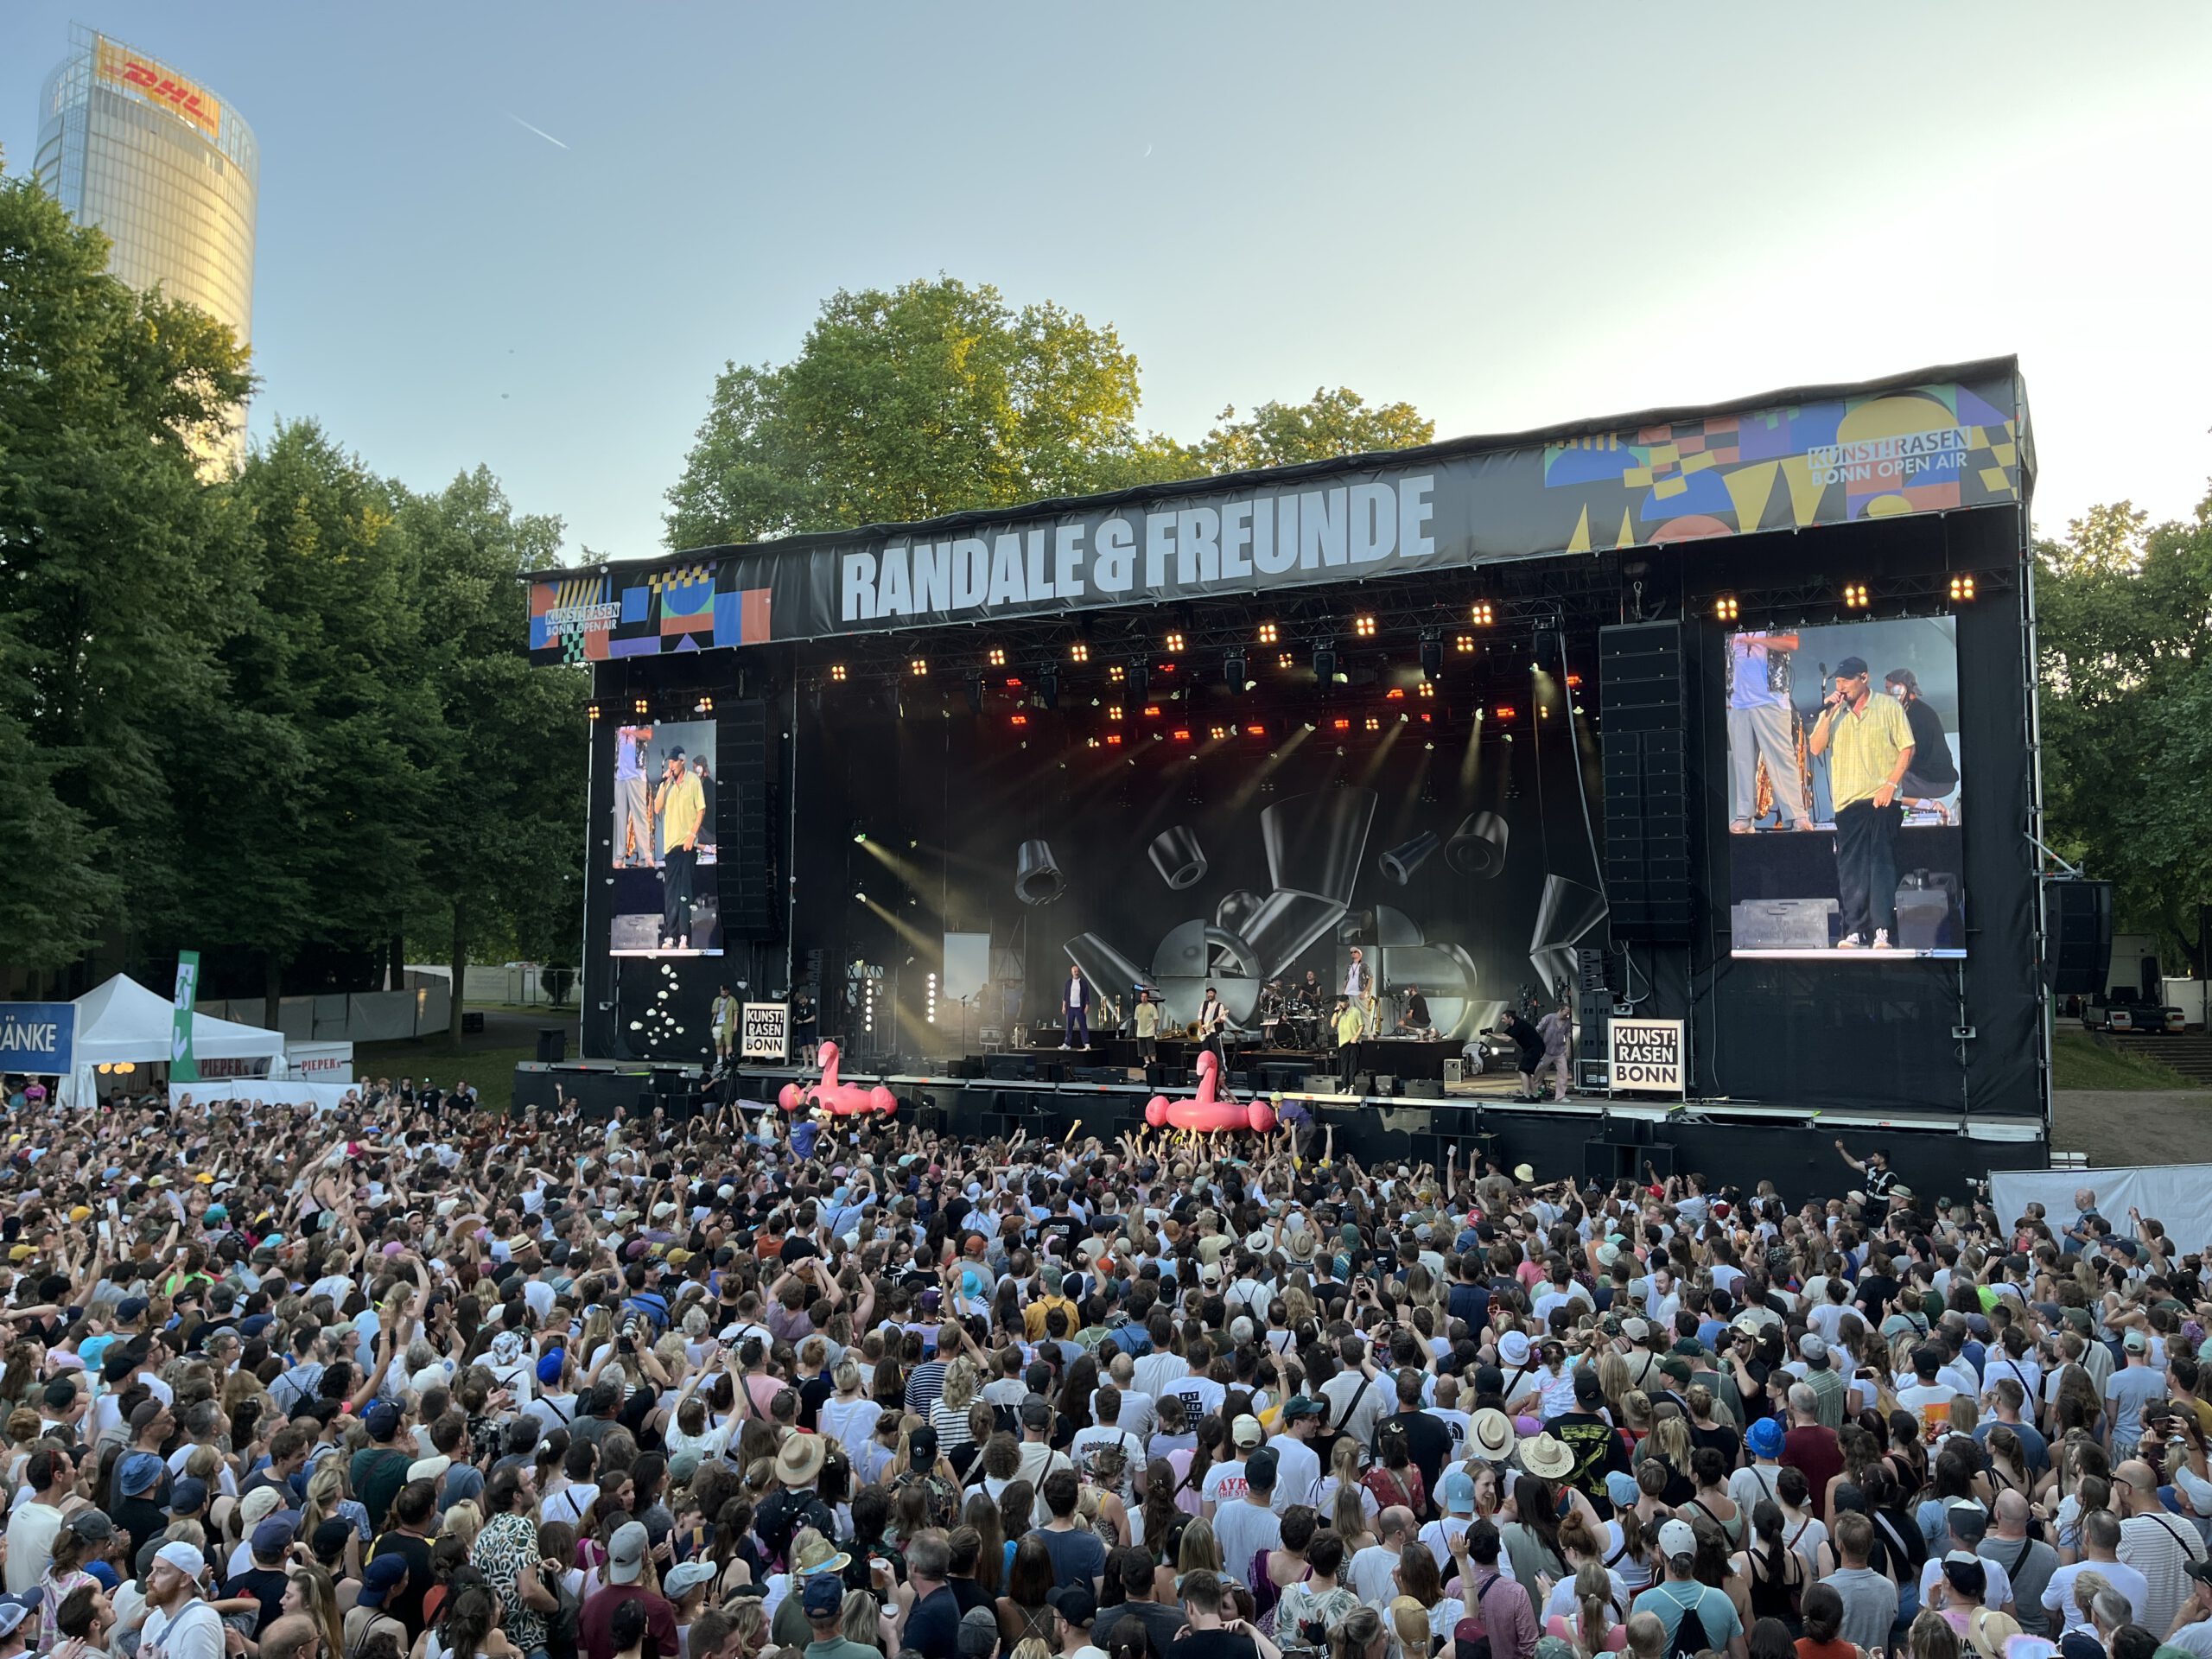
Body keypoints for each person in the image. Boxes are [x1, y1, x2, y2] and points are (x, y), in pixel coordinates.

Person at [1805, 654, 1915, 950]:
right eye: (1838, 682)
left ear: (1864, 678)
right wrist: (1829, 713)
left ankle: (1881, 930)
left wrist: (1890, 785)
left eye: (1846, 681)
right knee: (1850, 869)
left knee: (1880, 864)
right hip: (1847, 803)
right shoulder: (1835, 714)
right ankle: (1854, 930)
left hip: (1881, 799)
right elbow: (1815, 748)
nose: (1841, 687)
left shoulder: (1888, 707)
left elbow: (1907, 748)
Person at [1728, 631, 1813, 833]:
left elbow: (1792, 642)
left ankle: (1798, 816)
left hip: (1770, 699)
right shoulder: (1732, 627)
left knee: (1781, 758)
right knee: (1742, 761)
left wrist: (1755, 640)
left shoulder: (1772, 622)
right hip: (1739, 701)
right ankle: (1744, 816)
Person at [1630, 1520, 1745, 1659]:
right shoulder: (1722, 1601)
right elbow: (1741, 1656)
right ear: (1695, 1554)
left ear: (1660, 1553)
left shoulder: (1645, 1603)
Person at [1882, 671, 1959, 819]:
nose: (1885, 694)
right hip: (1936, 778)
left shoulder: (1915, 716)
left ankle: (1928, 805)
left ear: (1900, 688)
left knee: (1875, 785)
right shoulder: (1916, 710)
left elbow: (1908, 754)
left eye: (1888, 689)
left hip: (1932, 780)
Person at [654, 745, 707, 950]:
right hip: (671, 846)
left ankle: (684, 934)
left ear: (682, 761)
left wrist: (692, 836)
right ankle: (670, 935)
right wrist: (663, 783)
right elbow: (657, 808)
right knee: (671, 893)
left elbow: (701, 810)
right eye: (669, 761)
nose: (671, 765)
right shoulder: (667, 784)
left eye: (674, 761)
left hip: (687, 845)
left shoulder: (693, 781)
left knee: (685, 891)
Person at [140, 1543, 228, 1659]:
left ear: (184, 1580)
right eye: (153, 1569)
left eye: (161, 1571)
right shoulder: (154, 1620)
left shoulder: (199, 1623)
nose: (149, 1579)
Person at [616, 724, 656, 868]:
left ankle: (646, 855)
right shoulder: (618, 723)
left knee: (640, 816)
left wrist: (630, 732)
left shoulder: (639, 721)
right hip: (620, 774)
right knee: (620, 817)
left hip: (636, 774)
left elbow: (648, 734)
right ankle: (619, 856)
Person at [1497, 1011, 1547, 1101]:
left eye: (1503, 1018)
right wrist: (1490, 1033)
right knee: (1527, 1072)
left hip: (1535, 1048)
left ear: (1510, 1018)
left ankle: (1526, 1095)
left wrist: (1491, 1035)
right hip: (1532, 1049)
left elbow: (1507, 1039)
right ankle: (1535, 1095)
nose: (1502, 1021)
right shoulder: (1513, 1026)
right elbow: (1503, 1035)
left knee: (1523, 1070)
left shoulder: (1519, 1025)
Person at [1533, 1003, 1572, 1103]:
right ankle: (1534, 1092)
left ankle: (1560, 1096)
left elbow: (1568, 1035)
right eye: (1566, 1012)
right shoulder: (1549, 1018)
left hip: (1560, 1051)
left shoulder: (1567, 1022)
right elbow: (1537, 1030)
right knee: (1538, 1071)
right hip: (1546, 1051)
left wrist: (1568, 1049)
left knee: (1563, 1073)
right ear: (1561, 1010)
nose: (1567, 1015)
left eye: (1568, 1013)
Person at [1062, 967, 1091, 1052]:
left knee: (1083, 1025)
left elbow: (1086, 995)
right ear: (1072, 972)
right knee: (1069, 1026)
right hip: (1070, 1008)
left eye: (1077, 971)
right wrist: (1064, 1006)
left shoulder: (1083, 983)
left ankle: (1086, 1044)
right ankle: (1067, 1044)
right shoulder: (1069, 983)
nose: (1076, 973)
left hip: (1080, 1008)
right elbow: (1065, 995)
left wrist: (1087, 1006)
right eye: (1075, 971)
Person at [712, 987, 740, 1063]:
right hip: (718, 1024)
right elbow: (713, 1010)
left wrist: (735, 1024)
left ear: (728, 992)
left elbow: (736, 1012)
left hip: (728, 1024)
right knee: (718, 1043)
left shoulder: (732, 1000)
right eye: (722, 992)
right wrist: (715, 1011)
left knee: (728, 1043)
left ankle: (728, 1060)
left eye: (725, 992)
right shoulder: (717, 1000)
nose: (723, 994)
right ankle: (719, 1061)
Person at [1135, 992, 1160, 1067]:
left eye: (1145, 997)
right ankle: (1147, 1062)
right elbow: (1136, 1019)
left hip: (1149, 1032)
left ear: (1147, 998)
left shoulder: (1152, 1007)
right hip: (1140, 1032)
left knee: (1151, 1049)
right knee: (1142, 1049)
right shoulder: (1138, 1007)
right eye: (1142, 997)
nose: (1143, 998)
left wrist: (1154, 1029)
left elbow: (1156, 1019)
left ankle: (1153, 1063)